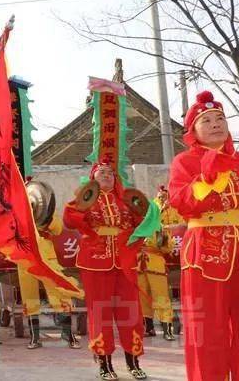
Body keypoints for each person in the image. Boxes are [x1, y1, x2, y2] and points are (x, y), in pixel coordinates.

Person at [168, 90, 239, 381]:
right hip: (206, 253)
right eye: (207, 120)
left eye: (221, 118)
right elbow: (181, 202)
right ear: (193, 132)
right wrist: (207, 179)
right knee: (208, 331)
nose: (216, 124)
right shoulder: (184, 162)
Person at [64, 159, 147, 380]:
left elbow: (144, 220)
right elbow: (69, 219)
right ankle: (104, 362)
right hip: (95, 260)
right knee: (100, 312)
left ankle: (133, 360)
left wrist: (143, 218)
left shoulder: (126, 199)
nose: (107, 175)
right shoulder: (86, 198)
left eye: (110, 172)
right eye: (101, 172)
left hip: (124, 259)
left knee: (129, 311)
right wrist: (85, 217)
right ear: (93, 176)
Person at [17, 214, 80, 349]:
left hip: (47, 254)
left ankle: (68, 333)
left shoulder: (45, 206)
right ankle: (35, 336)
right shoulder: (16, 208)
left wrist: (45, 216)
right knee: (29, 295)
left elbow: (58, 229)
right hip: (25, 253)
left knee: (59, 291)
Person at [137, 186, 181, 341]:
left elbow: (168, 248)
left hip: (155, 263)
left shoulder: (159, 227)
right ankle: (148, 327)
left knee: (161, 296)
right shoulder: (135, 226)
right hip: (139, 264)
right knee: (142, 297)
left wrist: (164, 239)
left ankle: (167, 327)